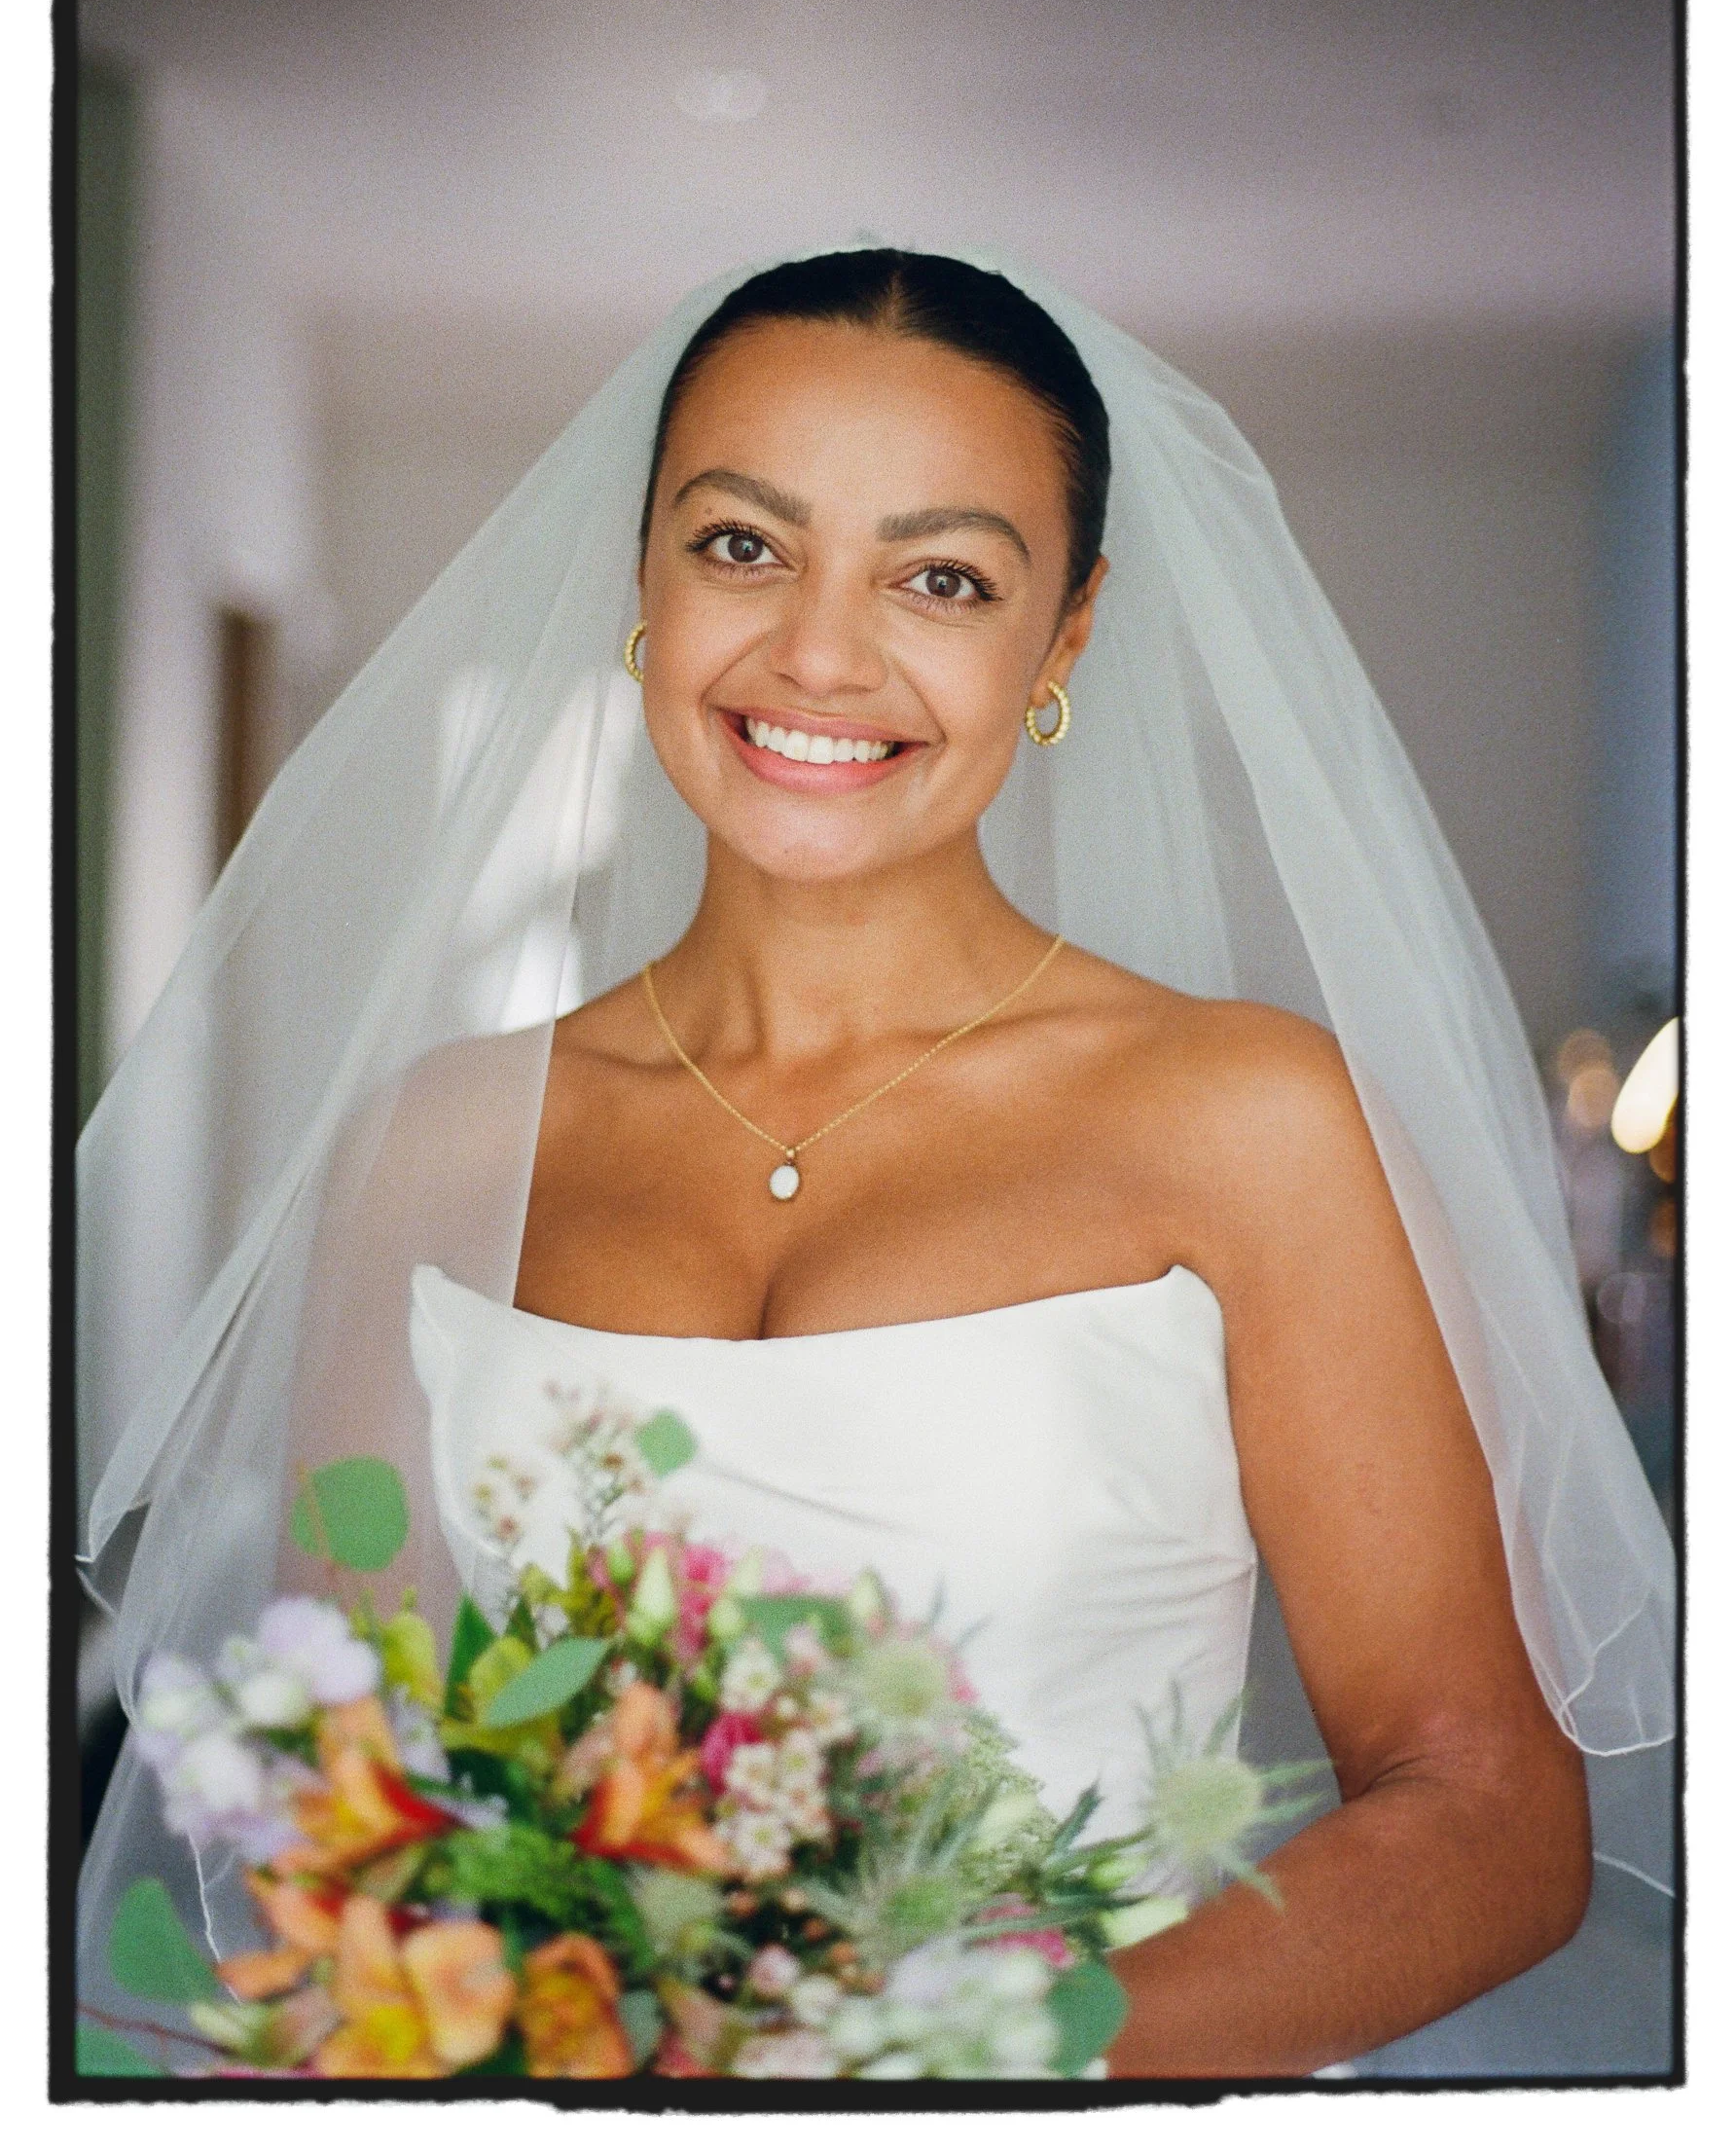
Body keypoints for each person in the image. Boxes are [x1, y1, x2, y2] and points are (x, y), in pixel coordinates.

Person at [77, 249, 1676, 2081]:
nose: (820, 653)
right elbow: (345, 1794)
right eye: (744, 545)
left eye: (941, 576)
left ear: (1062, 639)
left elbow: (1486, 1814)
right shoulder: (439, 1143)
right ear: (643, 582)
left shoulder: (1250, 1118)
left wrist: (950, 2059)